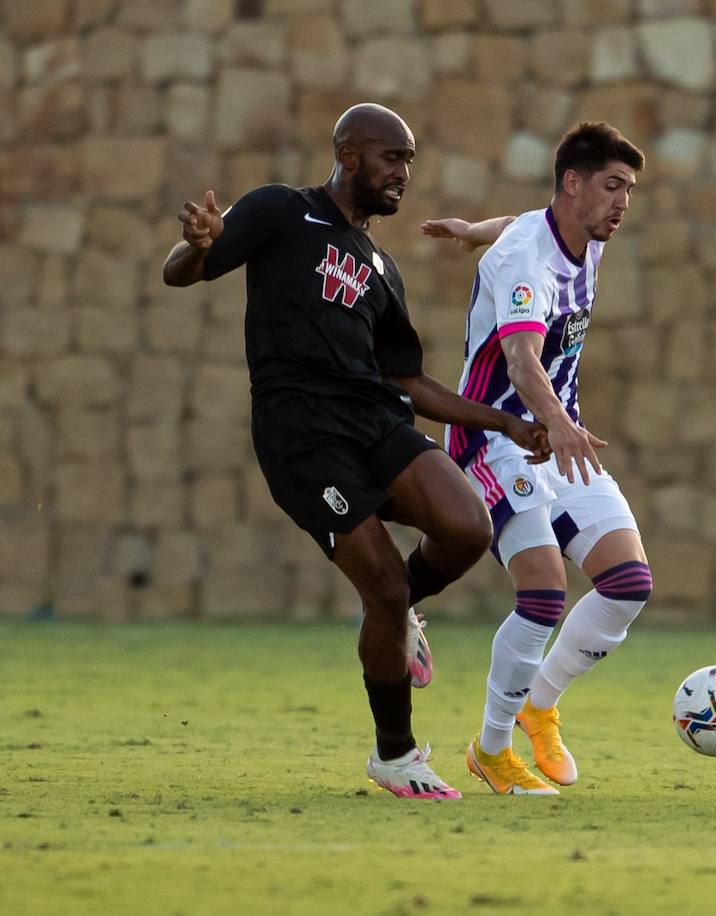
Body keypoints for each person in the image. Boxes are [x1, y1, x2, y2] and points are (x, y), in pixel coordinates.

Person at [161, 103, 550, 800]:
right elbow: (182, 272)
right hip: (302, 434)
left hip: (375, 420)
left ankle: (398, 617)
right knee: (383, 582)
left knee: (466, 527)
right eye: (391, 158)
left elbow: (406, 379)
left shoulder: (380, 267)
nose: (403, 173)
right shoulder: (283, 211)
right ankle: (395, 755)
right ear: (348, 154)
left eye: (408, 162)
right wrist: (197, 244)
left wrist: (506, 423)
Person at [427, 122, 652, 796]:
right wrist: (559, 425)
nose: (623, 203)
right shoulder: (529, 260)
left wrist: (474, 230)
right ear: (574, 184)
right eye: (613, 187)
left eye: (631, 191)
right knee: (545, 592)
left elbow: (522, 220)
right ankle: (491, 750)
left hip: (557, 437)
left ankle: (538, 703)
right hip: (496, 440)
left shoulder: (577, 235)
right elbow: (524, 364)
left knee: (627, 585)